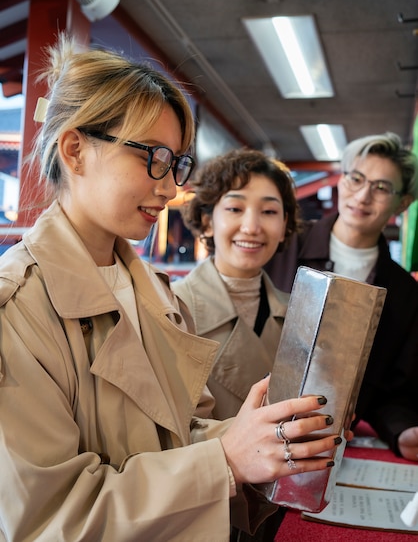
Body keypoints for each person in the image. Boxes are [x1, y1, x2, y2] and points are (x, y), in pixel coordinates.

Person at [0, 35, 341, 542]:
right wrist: (226, 458)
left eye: (177, 163)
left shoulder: (155, 293)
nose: (169, 187)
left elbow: (177, 435)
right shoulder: (16, 309)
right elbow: (48, 519)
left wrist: (264, 440)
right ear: (75, 150)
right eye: (153, 157)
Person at [265, 132, 418, 461]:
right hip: (258, 424)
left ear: (402, 203)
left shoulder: (404, 293)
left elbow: (392, 390)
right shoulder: (282, 245)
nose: (363, 196)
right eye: (356, 178)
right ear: (342, 179)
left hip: (331, 443)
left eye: (381, 187)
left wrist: (402, 431)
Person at [172, 148, 300, 421]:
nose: (252, 227)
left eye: (268, 211)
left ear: (284, 225)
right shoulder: (170, 308)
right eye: (234, 209)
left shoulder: (301, 316)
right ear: (207, 222)